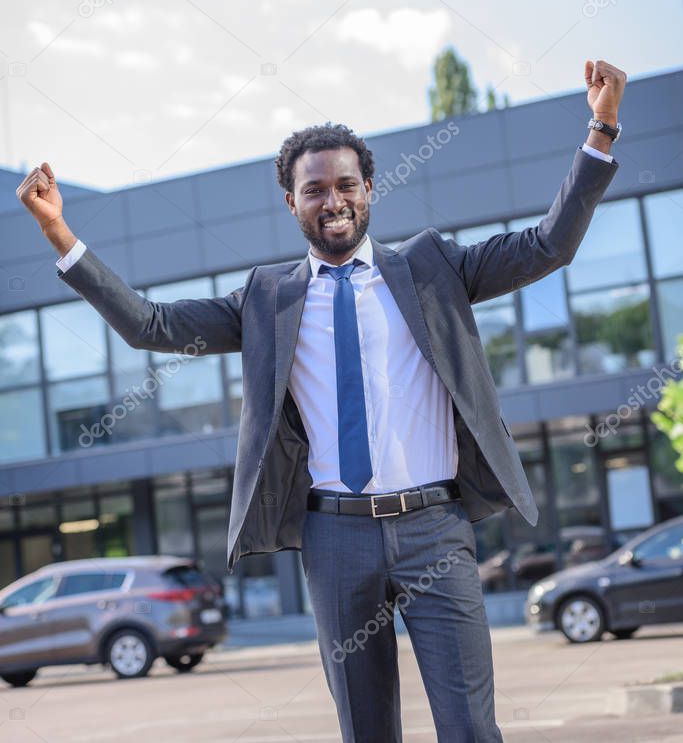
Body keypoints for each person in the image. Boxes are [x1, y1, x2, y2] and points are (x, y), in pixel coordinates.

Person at [16, 59, 625, 741]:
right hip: (334, 539)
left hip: (434, 529)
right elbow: (150, 325)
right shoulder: (265, 297)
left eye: (345, 184)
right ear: (291, 202)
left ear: (368, 190)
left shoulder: (432, 267)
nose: (332, 199)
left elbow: (548, 245)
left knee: (469, 728)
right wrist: (59, 236)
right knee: (366, 730)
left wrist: (599, 129)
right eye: (314, 189)